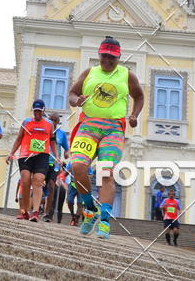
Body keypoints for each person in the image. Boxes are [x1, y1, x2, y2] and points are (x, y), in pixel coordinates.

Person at [68, 35, 144, 241]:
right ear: (99, 55)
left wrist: (134, 115)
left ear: (119, 58)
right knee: (78, 167)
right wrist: (77, 101)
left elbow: (139, 96)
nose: (107, 62)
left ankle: (104, 220)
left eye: (112, 59)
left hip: (113, 129)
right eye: (104, 58)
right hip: (88, 125)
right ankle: (90, 209)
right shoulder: (90, 73)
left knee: (105, 172)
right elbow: (72, 94)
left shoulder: (127, 75)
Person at [6, 99, 57, 222]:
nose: (37, 114)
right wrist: (11, 153)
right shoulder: (26, 122)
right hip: (25, 155)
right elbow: (19, 138)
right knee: (25, 181)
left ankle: (35, 212)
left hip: (41, 155)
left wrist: (56, 157)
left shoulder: (49, 124)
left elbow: (52, 141)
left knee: (38, 181)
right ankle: (25, 211)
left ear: (43, 110)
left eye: (39, 111)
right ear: (33, 111)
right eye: (35, 111)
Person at [43, 112, 70, 222]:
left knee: (51, 187)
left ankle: (47, 214)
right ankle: (34, 209)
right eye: (51, 120)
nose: (53, 122)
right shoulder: (44, 130)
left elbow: (67, 148)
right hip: (42, 161)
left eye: (55, 121)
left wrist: (66, 154)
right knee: (38, 184)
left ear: (58, 122)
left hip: (54, 163)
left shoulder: (61, 134)